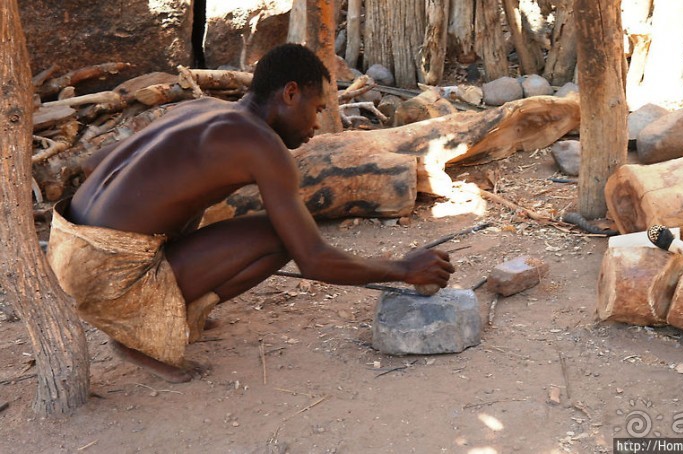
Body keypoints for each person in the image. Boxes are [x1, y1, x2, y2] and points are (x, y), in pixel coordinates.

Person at [46, 44, 455, 383]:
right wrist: (404, 268)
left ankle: (176, 308)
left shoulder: (199, 108)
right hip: (109, 276)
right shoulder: (260, 145)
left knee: (199, 212)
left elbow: (93, 165)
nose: (317, 124)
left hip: (67, 246)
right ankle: (139, 333)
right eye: (316, 108)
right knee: (280, 236)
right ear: (290, 93)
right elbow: (313, 259)